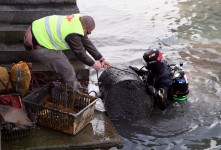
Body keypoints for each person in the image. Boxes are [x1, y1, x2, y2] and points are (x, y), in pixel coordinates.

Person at [24, 14, 111, 91]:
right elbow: (79, 52)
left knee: (64, 63)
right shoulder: (72, 33)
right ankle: (71, 96)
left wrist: (101, 59)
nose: (88, 34)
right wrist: (93, 64)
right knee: (68, 71)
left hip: (35, 32)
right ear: (84, 27)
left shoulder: (78, 20)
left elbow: (86, 42)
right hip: (36, 46)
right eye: (88, 32)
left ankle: (70, 86)